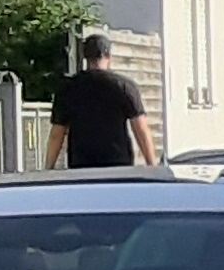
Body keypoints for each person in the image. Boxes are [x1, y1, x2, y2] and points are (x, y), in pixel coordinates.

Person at [48, 30, 158, 170]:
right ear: (109, 56)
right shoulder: (125, 87)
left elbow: (57, 134)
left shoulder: (68, 89)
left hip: (81, 166)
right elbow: (141, 129)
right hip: (118, 167)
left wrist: (48, 167)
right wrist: (152, 165)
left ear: (84, 57)